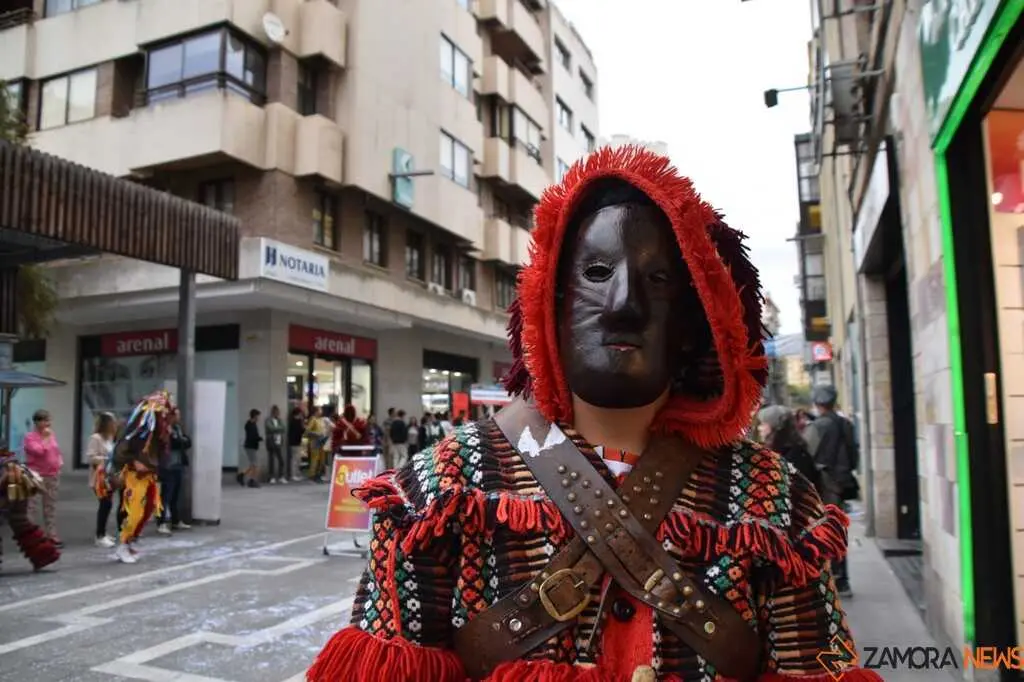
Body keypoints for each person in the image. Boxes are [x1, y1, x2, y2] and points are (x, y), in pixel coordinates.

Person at [307, 147, 879, 681]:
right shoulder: (439, 490)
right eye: (597, 273)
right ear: (549, 307)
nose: (624, 303)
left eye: (656, 281)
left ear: (692, 322)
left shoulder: (776, 503)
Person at [804, 385, 859, 598]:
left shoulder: (818, 427)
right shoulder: (845, 424)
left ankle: (831, 579)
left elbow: (807, 455)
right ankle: (842, 579)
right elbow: (854, 456)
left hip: (825, 486)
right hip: (841, 484)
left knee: (824, 532)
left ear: (818, 403)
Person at [110, 390, 171, 563]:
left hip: (149, 474)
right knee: (135, 510)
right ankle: (122, 544)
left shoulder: (159, 429)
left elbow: (160, 452)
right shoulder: (136, 428)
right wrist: (134, 461)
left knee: (150, 506)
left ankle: (129, 542)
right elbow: (119, 451)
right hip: (134, 474)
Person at [0, 449, 60, 571]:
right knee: (21, 522)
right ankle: (44, 555)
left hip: (11, 484)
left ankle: (44, 555)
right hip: (14, 482)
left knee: (20, 521)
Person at [757, 405, 822, 494]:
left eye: (763, 424)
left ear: (775, 426)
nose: (759, 428)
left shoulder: (795, 455)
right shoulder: (787, 450)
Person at [23, 409, 63, 547]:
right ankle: (30, 535)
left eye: (49, 420)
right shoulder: (30, 437)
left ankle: (51, 535)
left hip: (52, 474)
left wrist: (59, 462)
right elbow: (38, 451)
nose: (48, 423)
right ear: (37, 422)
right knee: (32, 506)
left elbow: (55, 450)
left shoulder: (51, 435)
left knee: (50, 506)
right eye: (45, 420)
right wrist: (45, 438)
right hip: (36, 476)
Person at [87, 411, 119, 547]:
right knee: (105, 504)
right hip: (99, 478)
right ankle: (99, 536)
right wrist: (106, 460)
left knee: (108, 504)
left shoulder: (110, 438)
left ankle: (103, 533)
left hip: (109, 477)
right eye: (113, 422)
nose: (115, 425)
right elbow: (90, 457)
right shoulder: (96, 438)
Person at [157, 408, 191, 535]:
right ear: (170, 416)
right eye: (176, 415)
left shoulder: (177, 428)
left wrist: (180, 440)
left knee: (175, 496)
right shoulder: (164, 429)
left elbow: (188, 442)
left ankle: (175, 521)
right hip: (167, 466)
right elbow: (174, 443)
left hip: (178, 465)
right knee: (166, 496)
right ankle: (161, 522)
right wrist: (180, 440)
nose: (178, 417)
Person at [240, 409, 262, 488]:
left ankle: (242, 475)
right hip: (250, 446)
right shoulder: (250, 425)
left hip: (252, 446)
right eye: (258, 416)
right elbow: (251, 436)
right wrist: (259, 438)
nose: (259, 418)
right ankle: (252, 480)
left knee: (253, 464)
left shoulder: (253, 424)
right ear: (255, 416)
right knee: (255, 465)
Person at [265, 405, 286, 484]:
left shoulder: (280, 420)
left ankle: (281, 476)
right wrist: (278, 429)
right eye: (276, 412)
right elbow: (270, 428)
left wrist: (277, 429)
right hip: (271, 442)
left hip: (279, 441)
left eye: (278, 412)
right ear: (273, 412)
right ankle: (271, 477)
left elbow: (284, 428)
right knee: (271, 460)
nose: (277, 413)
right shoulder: (268, 420)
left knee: (281, 460)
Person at [287, 406, 306, 482]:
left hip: (294, 442)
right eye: (301, 413)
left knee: (297, 459)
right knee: (295, 459)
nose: (301, 415)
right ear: (298, 413)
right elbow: (301, 431)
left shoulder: (292, 421)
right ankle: (293, 475)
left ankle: (296, 474)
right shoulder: (297, 421)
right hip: (295, 442)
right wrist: (303, 425)